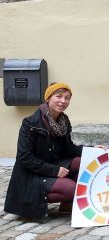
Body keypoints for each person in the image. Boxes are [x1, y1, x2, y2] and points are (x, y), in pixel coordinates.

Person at [4, 82, 83, 220]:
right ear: (48, 98)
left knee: (82, 162)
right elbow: (25, 156)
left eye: (67, 97)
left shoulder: (63, 121)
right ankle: (31, 202)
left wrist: (92, 151)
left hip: (53, 163)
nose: (63, 101)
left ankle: (66, 205)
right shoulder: (30, 123)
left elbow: (68, 148)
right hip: (32, 174)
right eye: (58, 96)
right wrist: (54, 170)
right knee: (72, 188)